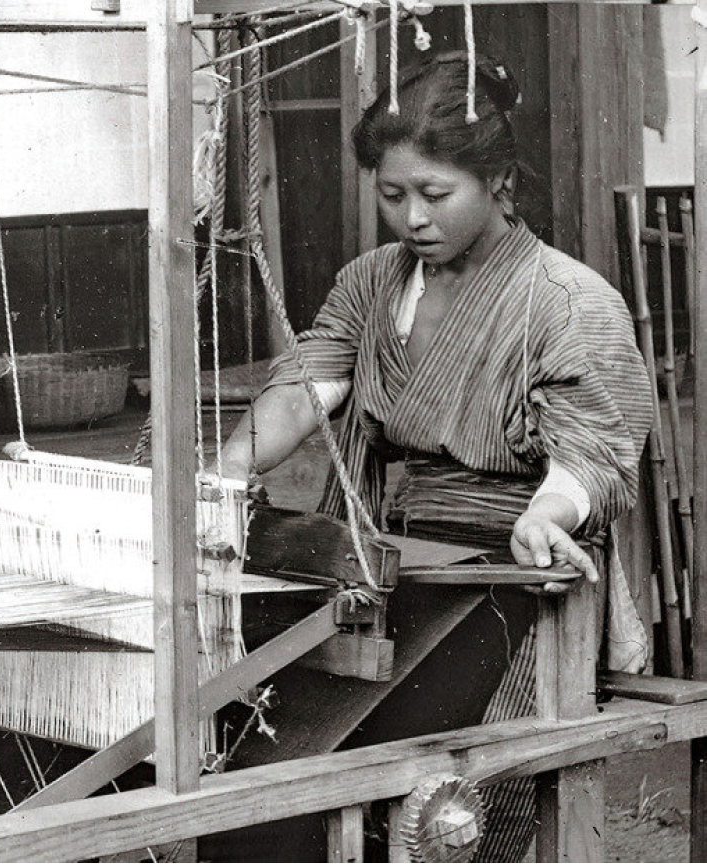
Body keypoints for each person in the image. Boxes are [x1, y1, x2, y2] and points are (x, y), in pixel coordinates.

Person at [216, 51, 653, 862]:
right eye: (391, 195)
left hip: (505, 566)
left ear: (495, 183)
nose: (411, 218)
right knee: (281, 730)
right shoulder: (371, 282)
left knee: (408, 770)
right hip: (387, 556)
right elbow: (305, 388)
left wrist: (547, 515)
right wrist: (225, 474)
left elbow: (592, 450)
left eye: (433, 195)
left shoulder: (565, 300)